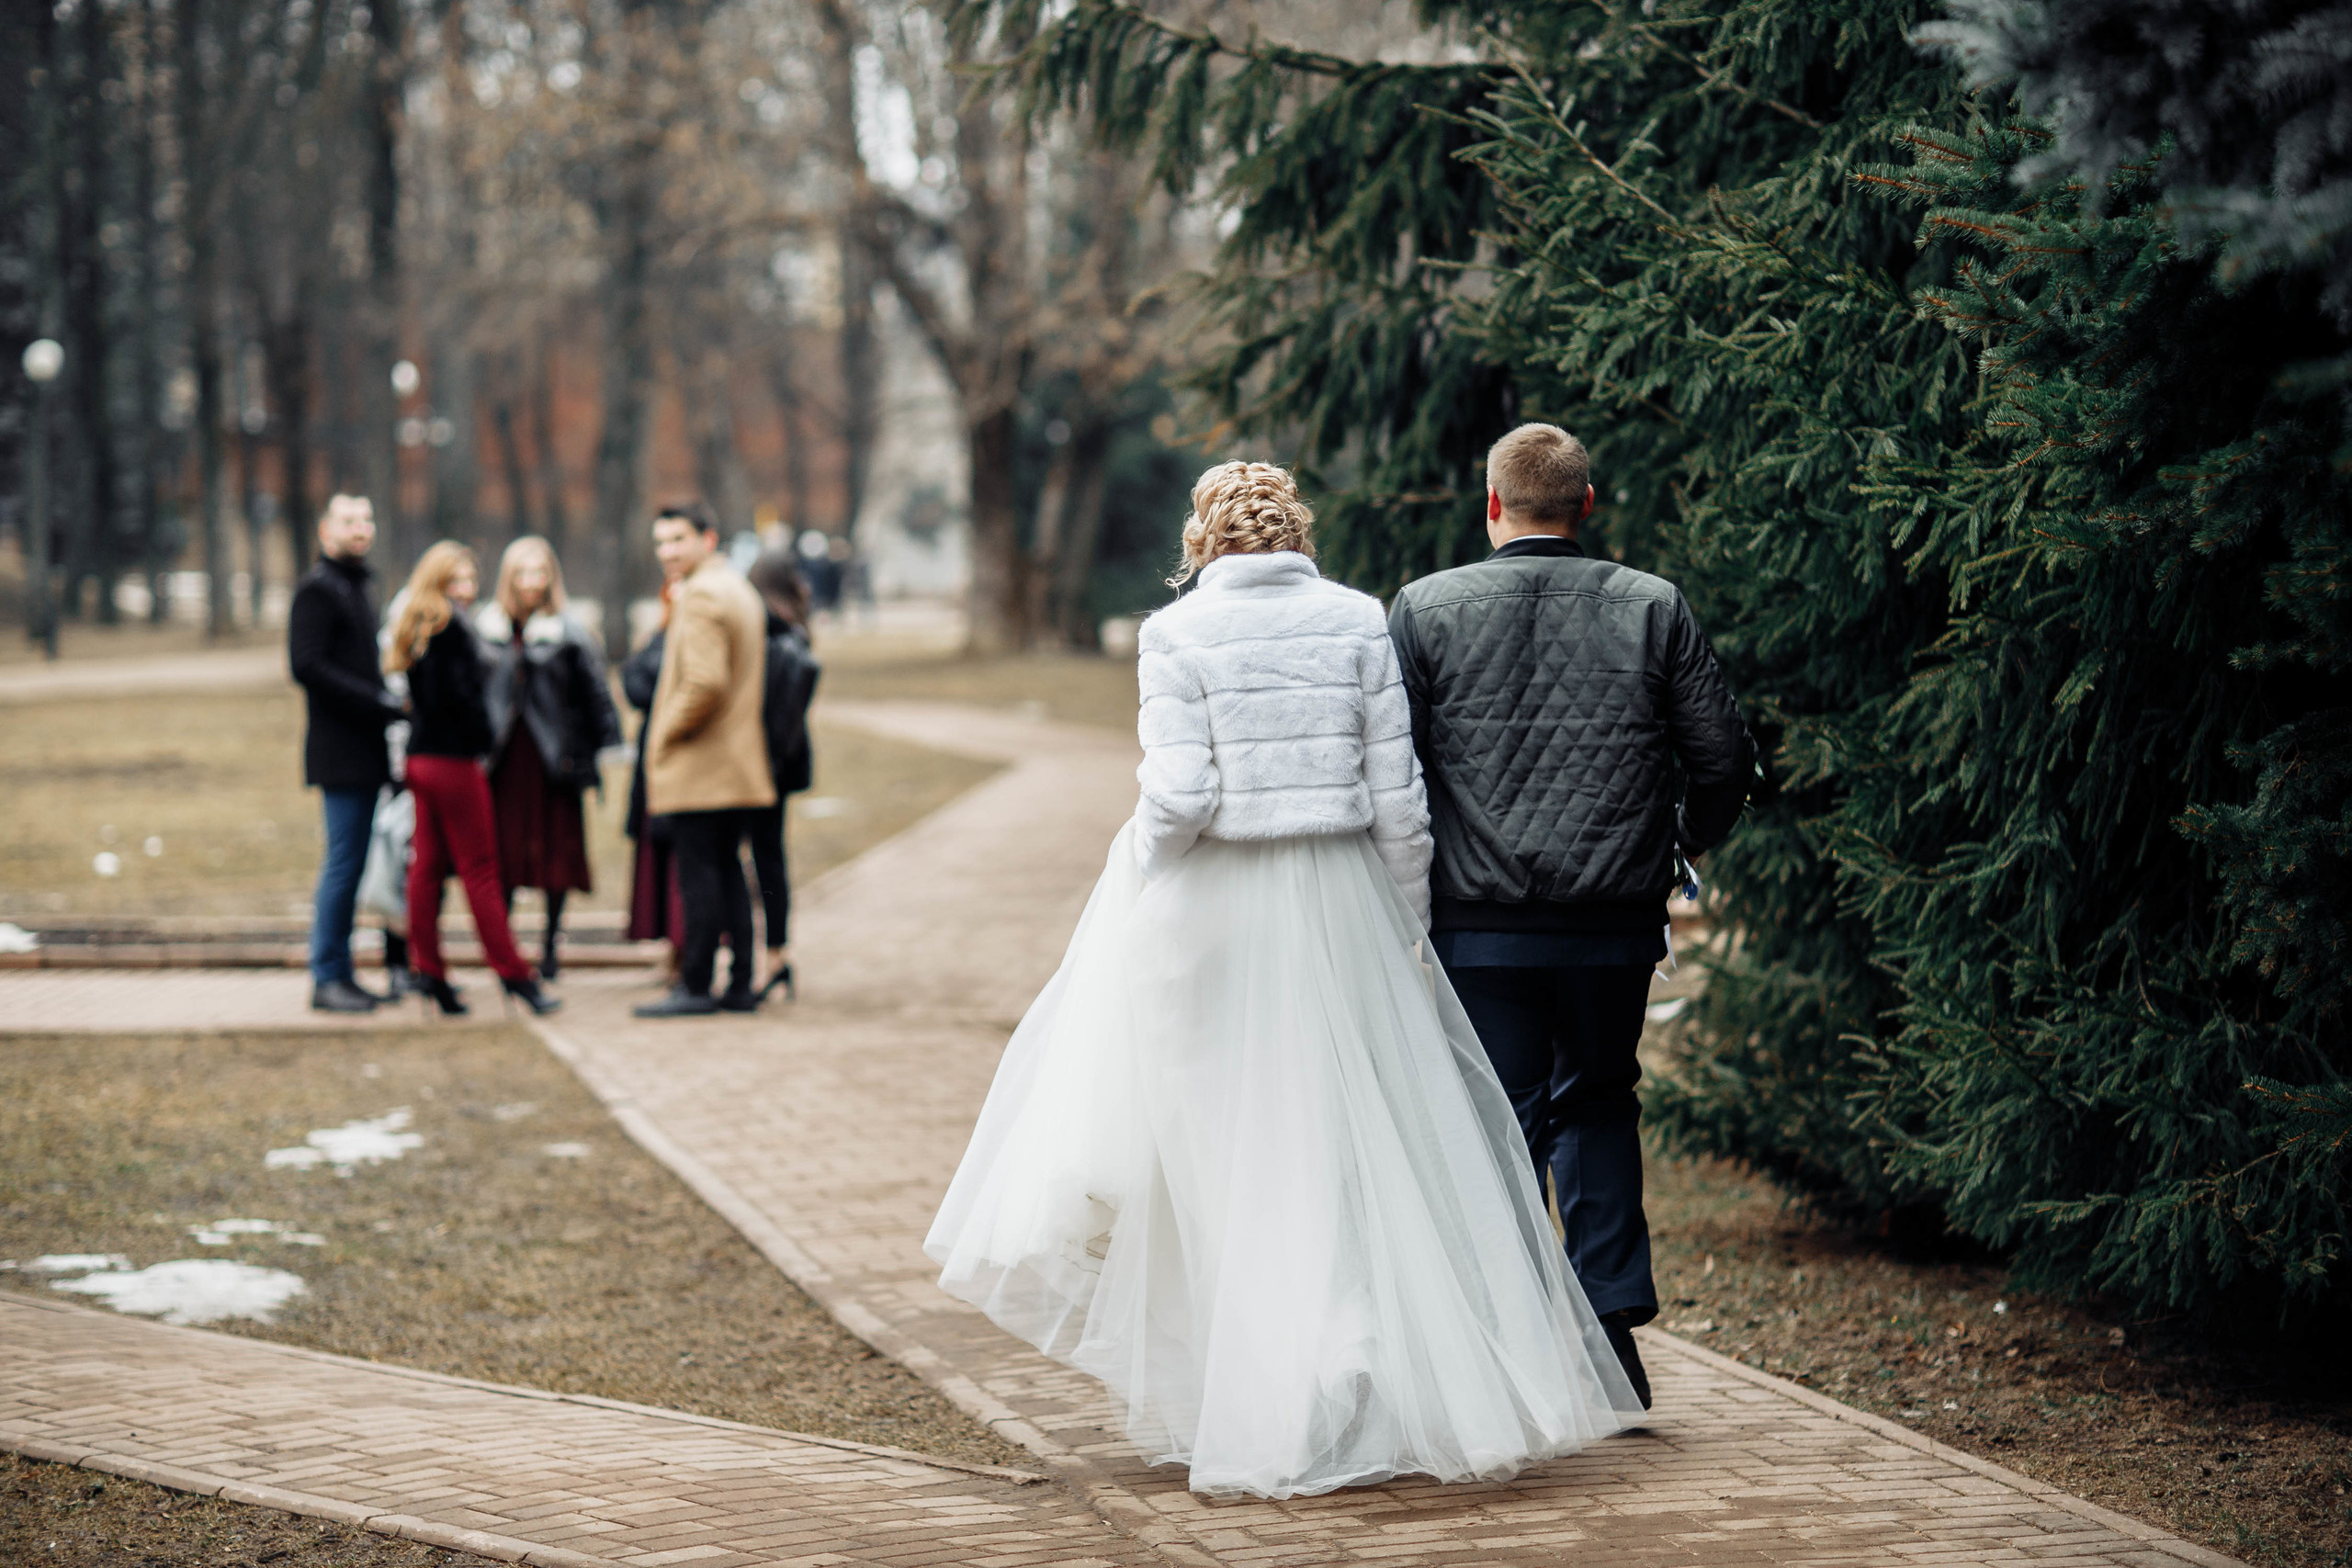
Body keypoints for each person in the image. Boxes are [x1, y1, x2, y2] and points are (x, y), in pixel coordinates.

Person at [925, 461, 1641, 1501]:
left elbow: (1178, 793)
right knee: (1343, 1141)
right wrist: (1402, 920)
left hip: (1219, 904)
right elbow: (1398, 794)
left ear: (1203, 541)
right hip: (1341, 891)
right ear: (1295, 530)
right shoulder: (1355, 620)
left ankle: (1267, 1381)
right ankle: (1349, 1349)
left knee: (1228, 1151)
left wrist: (1142, 870)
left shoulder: (1173, 636)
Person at [1387, 423, 1756, 1410]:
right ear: (1586, 505)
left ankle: (1509, 1350)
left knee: (1500, 1118)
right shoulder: (1652, 606)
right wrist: (1673, 845)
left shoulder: (1423, 611)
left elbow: (1394, 766)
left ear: (1493, 503)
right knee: (1596, 1098)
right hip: (1611, 918)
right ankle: (1609, 1332)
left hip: (1479, 919)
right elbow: (1723, 758)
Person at [382, 542, 560, 1019]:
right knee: (481, 870)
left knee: (426, 868)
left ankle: (430, 972)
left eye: (468, 580)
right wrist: (485, 739)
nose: (465, 590)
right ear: (438, 581)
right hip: (454, 762)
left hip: (421, 760)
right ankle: (515, 975)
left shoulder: (416, 623)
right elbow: (463, 701)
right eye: (455, 580)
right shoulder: (453, 628)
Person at [634, 502, 775, 1018]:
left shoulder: (702, 595)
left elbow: (705, 683)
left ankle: (695, 984)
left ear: (707, 539)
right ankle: (739, 983)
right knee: (729, 874)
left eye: (678, 540)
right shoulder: (736, 588)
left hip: (702, 766)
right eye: (661, 543)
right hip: (735, 765)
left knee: (699, 880)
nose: (667, 552)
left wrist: (662, 736)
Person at [480, 536, 622, 980]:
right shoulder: (488, 631)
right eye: (521, 572)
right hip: (503, 762)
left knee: (554, 856)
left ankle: (550, 945)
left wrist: (605, 746)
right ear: (508, 577)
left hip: (554, 761)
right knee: (502, 856)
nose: (531, 582)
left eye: (539, 572)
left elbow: (595, 695)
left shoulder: (569, 632)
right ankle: (504, 948)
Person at [288, 493, 406, 1014]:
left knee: (356, 867)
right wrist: (379, 702)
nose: (360, 528)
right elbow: (307, 666)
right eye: (348, 520)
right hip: (340, 753)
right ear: (325, 529)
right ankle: (327, 976)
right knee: (342, 867)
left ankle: (343, 975)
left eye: (366, 518)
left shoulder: (357, 585)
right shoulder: (319, 589)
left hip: (366, 750)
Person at [744, 548, 821, 1004]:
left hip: (763, 759)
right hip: (785, 759)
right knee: (771, 856)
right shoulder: (797, 624)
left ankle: (769, 958)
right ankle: (776, 954)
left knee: (759, 857)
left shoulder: (770, 628)